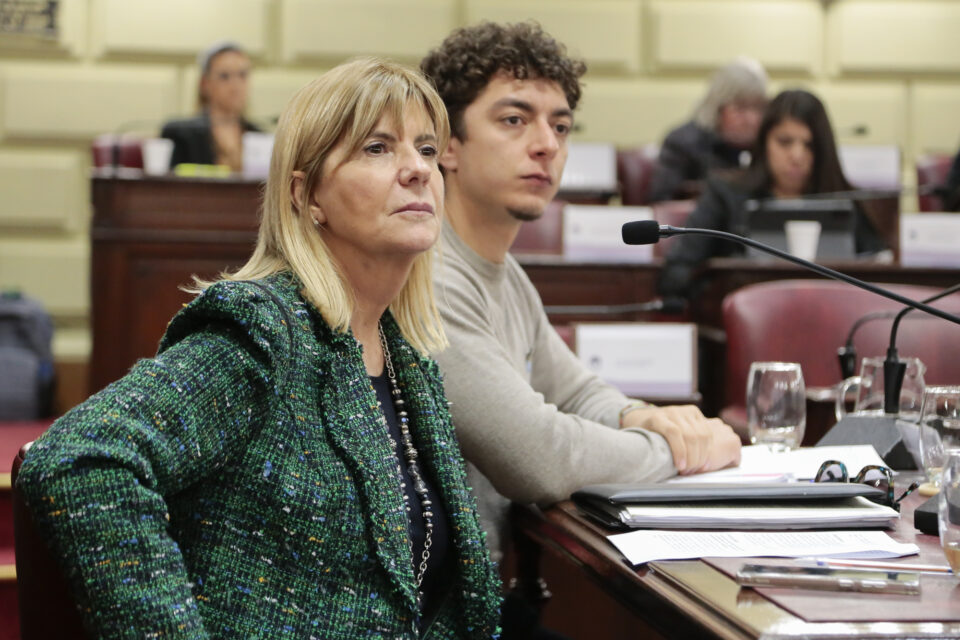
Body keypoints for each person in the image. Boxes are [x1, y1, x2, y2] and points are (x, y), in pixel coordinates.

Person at [17, 58, 502, 639]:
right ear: (306, 194)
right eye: (377, 148)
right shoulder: (262, 335)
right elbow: (80, 457)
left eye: (426, 149)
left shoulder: (409, 362)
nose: (418, 169)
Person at [420, 18, 741, 566]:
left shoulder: (507, 274)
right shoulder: (431, 277)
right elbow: (540, 459)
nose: (546, 145)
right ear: (448, 146)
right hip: (442, 602)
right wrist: (678, 450)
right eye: (514, 120)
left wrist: (642, 416)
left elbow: (576, 393)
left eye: (561, 126)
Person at [659, 89, 887, 301]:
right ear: (764, 143)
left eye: (809, 145)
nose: (797, 155)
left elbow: (880, 272)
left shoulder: (845, 202)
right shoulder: (725, 195)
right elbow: (675, 275)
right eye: (785, 142)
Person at [648, 57, 768, 202]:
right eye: (740, 108)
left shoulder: (768, 146)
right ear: (716, 108)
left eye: (758, 108)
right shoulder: (683, 143)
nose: (752, 119)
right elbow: (662, 201)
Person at [161, 41, 261, 172]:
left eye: (242, 75)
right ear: (205, 83)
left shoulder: (259, 135)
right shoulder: (182, 135)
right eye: (224, 76)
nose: (236, 85)